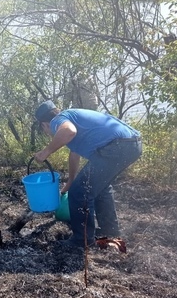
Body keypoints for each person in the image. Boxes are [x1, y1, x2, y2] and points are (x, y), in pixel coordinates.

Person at [33, 100, 142, 248]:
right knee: (100, 188)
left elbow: (69, 131)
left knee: (80, 193)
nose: (48, 132)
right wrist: (70, 182)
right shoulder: (72, 117)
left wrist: (45, 152)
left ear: (44, 124)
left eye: (45, 130)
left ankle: (82, 241)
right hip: (132, 144)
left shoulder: (57, 121)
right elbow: (74, 153)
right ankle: (111, 233)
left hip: (116, 147)